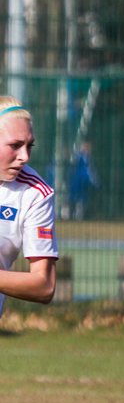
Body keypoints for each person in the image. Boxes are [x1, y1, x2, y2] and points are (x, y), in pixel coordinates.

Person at [0, 99, 59, 315]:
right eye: (15, 145)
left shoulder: (36, 194)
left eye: (29, 146)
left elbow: (44, 286)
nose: (24, 157)